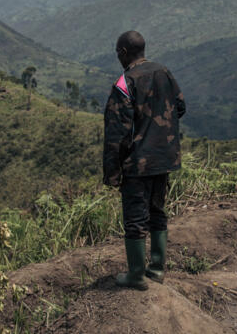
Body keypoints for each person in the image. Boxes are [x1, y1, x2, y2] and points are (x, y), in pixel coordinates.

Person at [103, 30, 186, 290]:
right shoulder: (165, 73)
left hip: (138, 164)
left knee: (135, 219)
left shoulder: (126, 82)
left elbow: (116, 132)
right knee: (157, 212)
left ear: (124, 53)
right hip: (163, 159)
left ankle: (137, 275)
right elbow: (180, 107)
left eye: (118, 53)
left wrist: (113, 172)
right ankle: (157, 268)